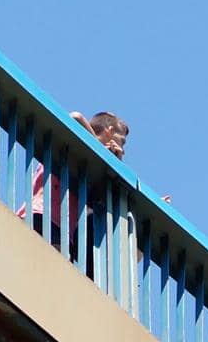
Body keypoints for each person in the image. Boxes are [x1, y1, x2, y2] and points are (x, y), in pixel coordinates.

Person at [18, 111, 129, 274]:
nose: (122, 147)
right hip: (42, 214)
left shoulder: (93, 168)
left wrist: (112, 165)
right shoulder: (75, 142)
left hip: (62, 229)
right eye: (122, 141)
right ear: (109, 131)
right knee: (54, 274)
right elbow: (75, 117)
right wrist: (102, 152)